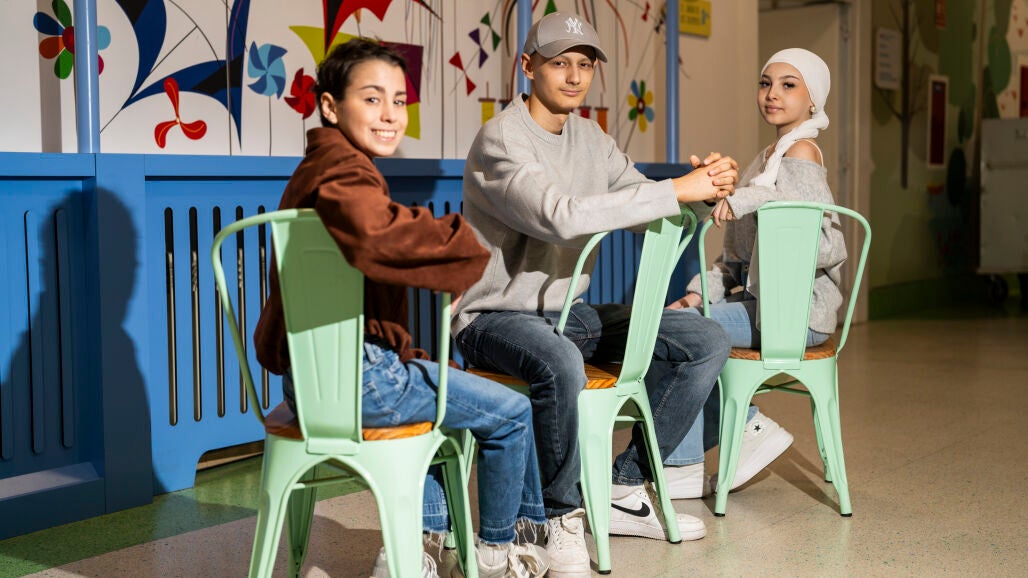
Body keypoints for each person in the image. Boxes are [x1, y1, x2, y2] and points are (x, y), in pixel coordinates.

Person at [252, 39, 549, 578]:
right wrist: (458, 242)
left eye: (398, 100)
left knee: (439, 382)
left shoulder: (317, 166)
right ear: (329, 106)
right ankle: (497, 554)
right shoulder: (345, 170)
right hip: (364, 381)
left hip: (309, 383)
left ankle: (417, 545)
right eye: (372, 99)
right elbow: (374, 233)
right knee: (512, 413)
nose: (390, 114)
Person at [454, 12, 737, 578]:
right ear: (528, 66)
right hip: (494, 318)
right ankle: (562, 515)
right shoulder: (501, 140)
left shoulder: (592, 138)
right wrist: (675, 190)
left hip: (568, 314)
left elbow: (643, 205)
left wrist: (703, 192)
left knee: (704, 339)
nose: (574, 76)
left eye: (584, 65)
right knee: (560, 361)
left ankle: (622, 487)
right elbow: (559, 217)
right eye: (559, 63)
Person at [665, 48, 848, 495]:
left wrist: (746, 199)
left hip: (797, 314)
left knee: (679, 334)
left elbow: (821, 243)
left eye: (789, 85)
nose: (772, 94)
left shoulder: (801, 153)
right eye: (765, 83)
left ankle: (707, 451)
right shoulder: (764, 161)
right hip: (766, 307)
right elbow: (734, 261)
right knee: (680, 322)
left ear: (812, 99)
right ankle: (738, 432)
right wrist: (696, 295)